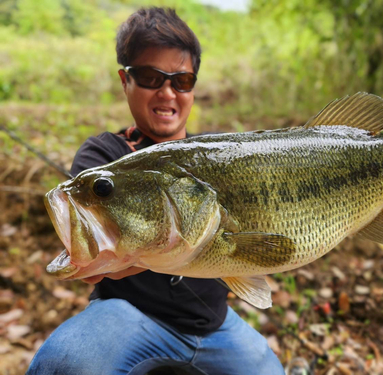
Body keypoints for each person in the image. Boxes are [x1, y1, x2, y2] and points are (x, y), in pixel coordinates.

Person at [27, 7, 284, 375]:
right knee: (65, 365)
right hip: (129, 317)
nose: (167, 92)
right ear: (125, 80)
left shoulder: (216, 158)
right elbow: (98, 263)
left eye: (181, 81)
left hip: (217, 324)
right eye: (150, 77)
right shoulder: (105, 160)